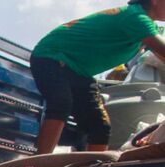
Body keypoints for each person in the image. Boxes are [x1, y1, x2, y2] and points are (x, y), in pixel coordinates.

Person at [31, 0, 165, 154]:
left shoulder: (148, 26)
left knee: (99, 126)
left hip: (79, 70)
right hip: (51, 57)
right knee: (61, 104)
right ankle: (38, 165)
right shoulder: (136, 17)